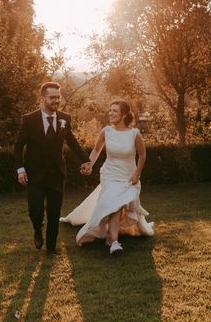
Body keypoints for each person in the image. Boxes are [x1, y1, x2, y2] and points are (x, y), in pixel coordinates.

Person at [60, 100, 154, 254]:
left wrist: (137, 173)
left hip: (128, 176)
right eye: (109, 110)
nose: (110, 113)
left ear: (123, 114)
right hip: (110, 174)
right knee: (115, 205)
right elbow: (96, 150)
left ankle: (112, 237)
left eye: (114, 111)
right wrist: (89, 164)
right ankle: (114, 241)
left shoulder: (134, 134)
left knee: (115, 204)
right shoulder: (106, 131)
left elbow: (142, 155)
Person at [14, 82, 91, 252]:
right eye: (52, 97)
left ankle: (51, 247)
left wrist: (85, 159)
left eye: (58, 97)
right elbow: (18, 146)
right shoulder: (29, 120)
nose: (56, 100)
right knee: (35, 211)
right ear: (43, 99)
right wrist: (20, 169)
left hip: (57, 173)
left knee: (55, 212)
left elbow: (71, 141)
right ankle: (37, 229)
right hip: (34, 174)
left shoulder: (65, 118)